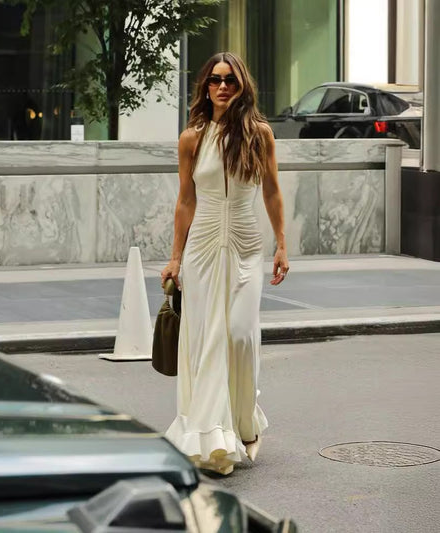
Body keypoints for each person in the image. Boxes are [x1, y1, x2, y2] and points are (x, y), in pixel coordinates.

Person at [161, 52, 289, 475]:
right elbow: (185, 200)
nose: (222, 87)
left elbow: (271, 191)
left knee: (238, 335)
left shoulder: (260, 135)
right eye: (215, 80)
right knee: (208, 340)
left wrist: (282, 245)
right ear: (205, 87)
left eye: (230, 80)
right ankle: (215, 436)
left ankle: (244, 421)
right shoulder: (192, 138)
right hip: (202, 247)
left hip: (247, 244)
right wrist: (175, 257)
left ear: (242, 86)